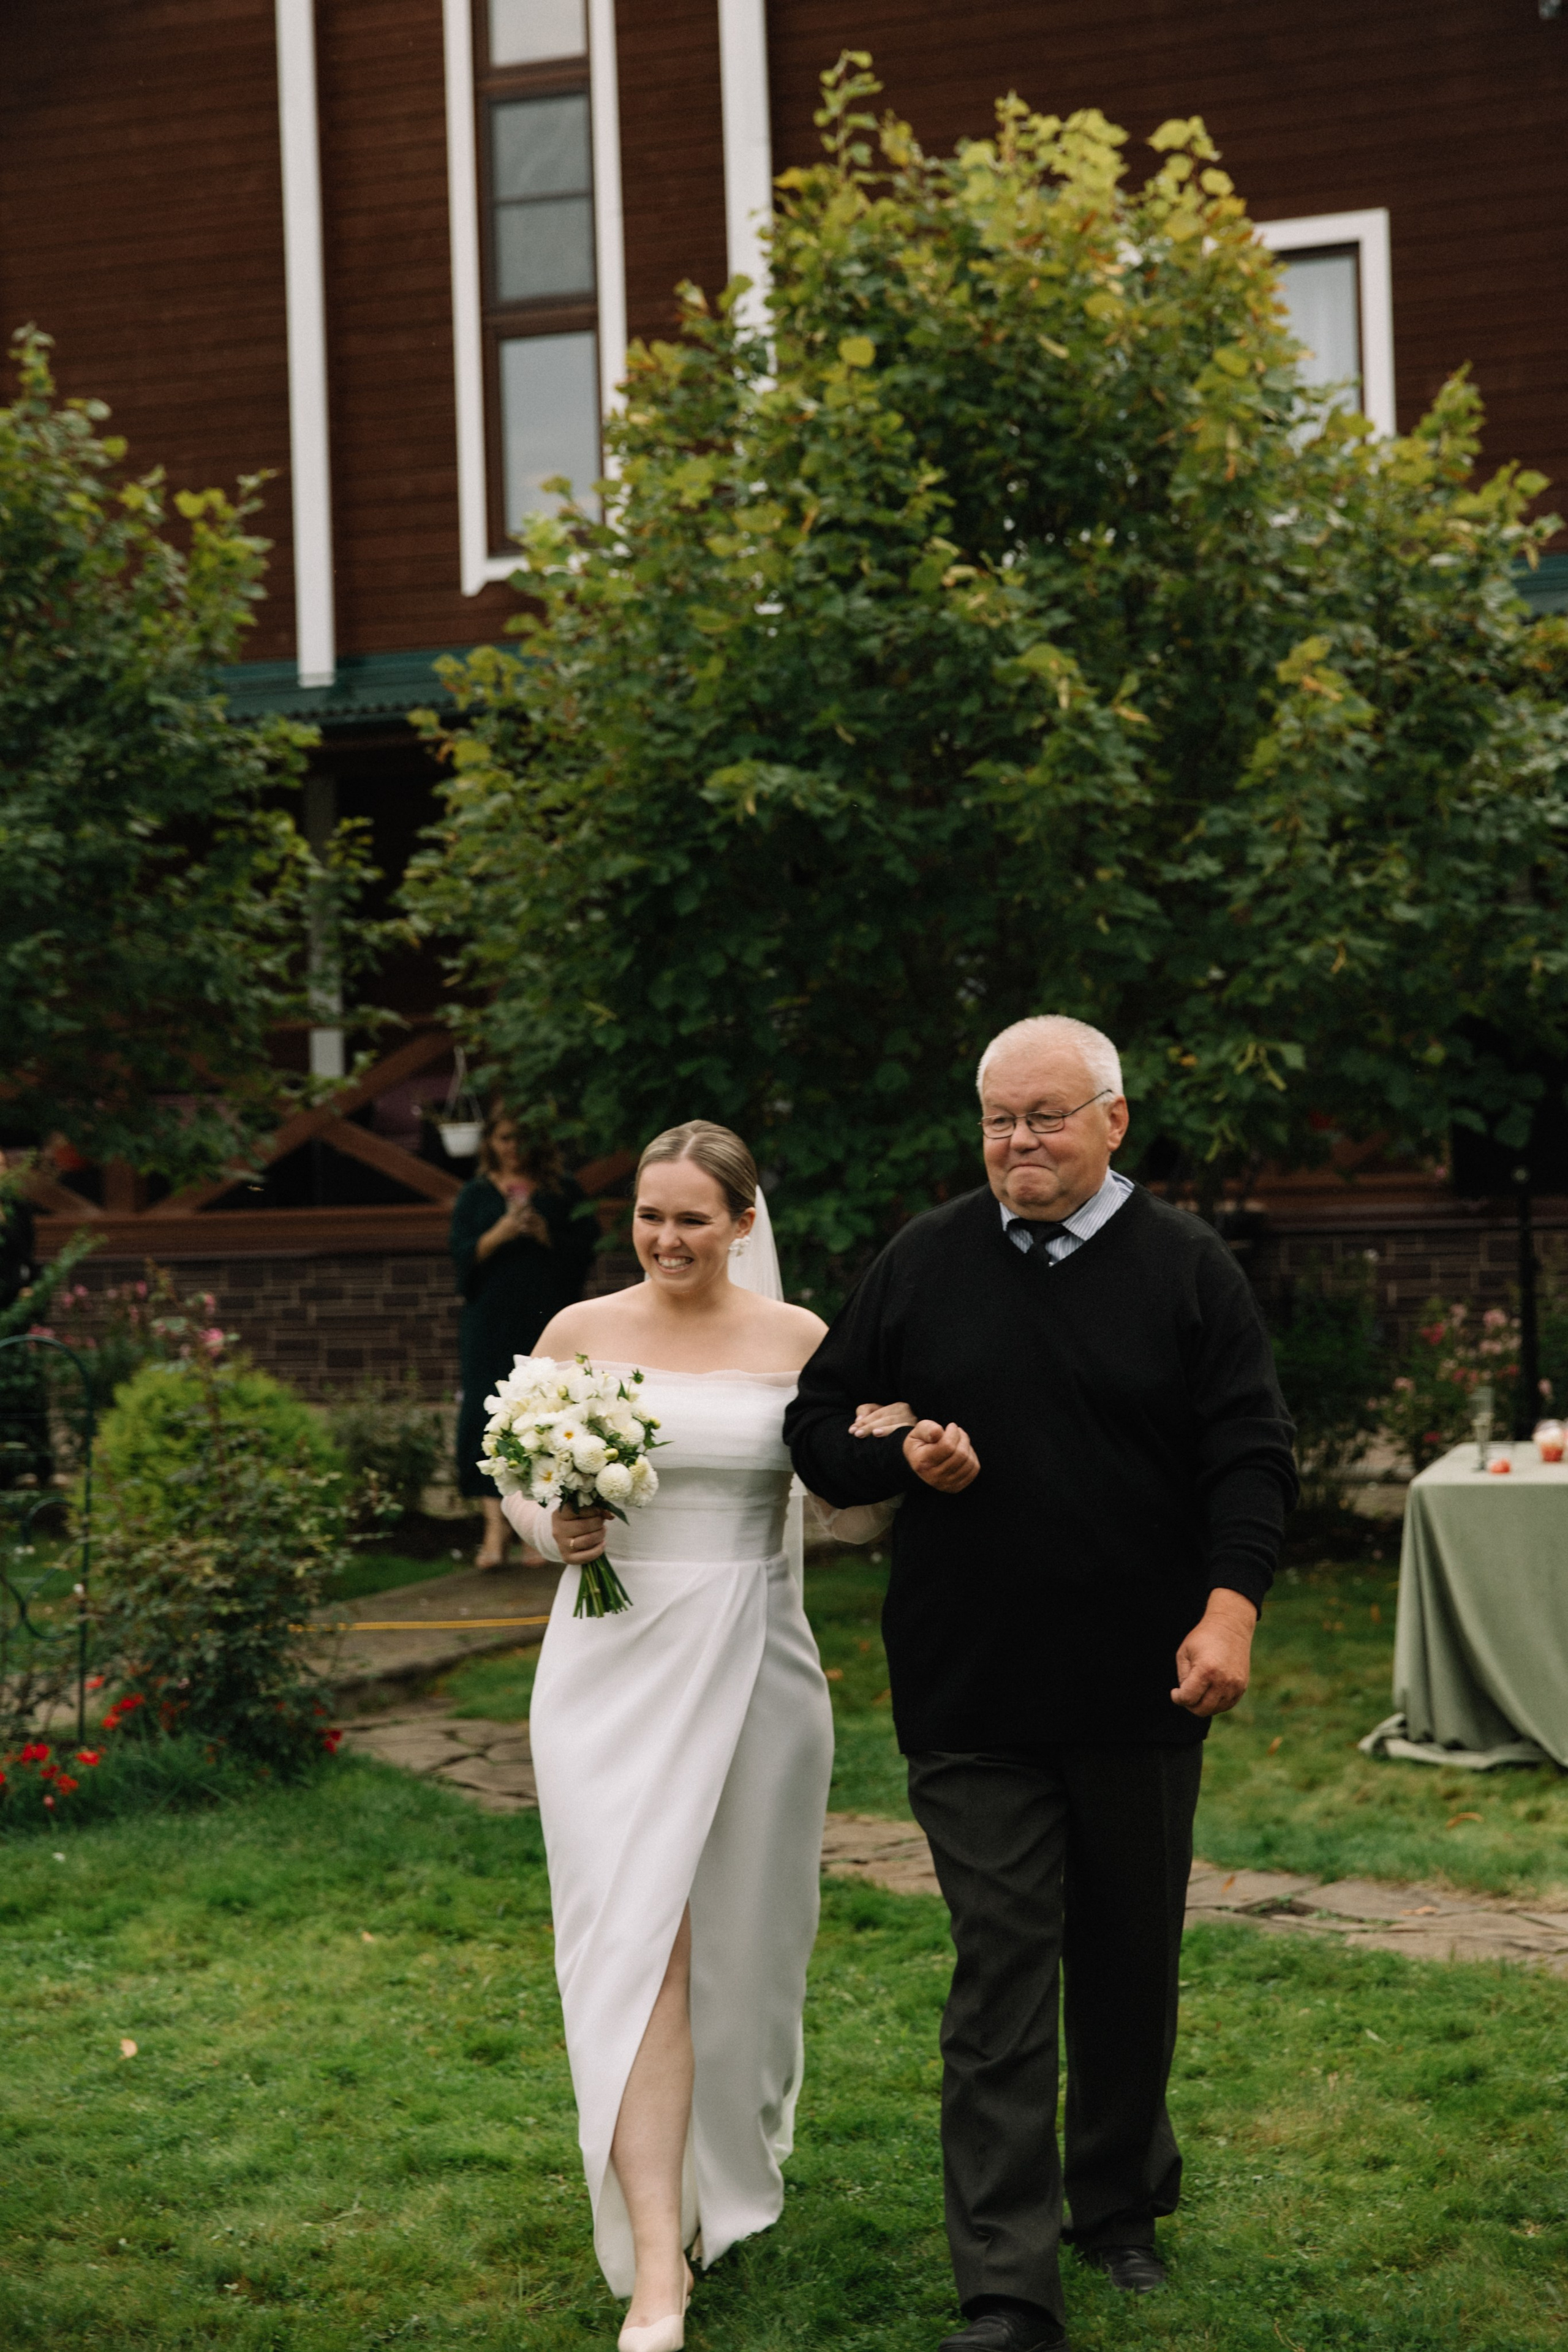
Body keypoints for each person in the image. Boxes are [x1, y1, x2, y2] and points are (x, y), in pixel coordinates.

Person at [784, 1016, 1297, 2352]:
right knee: (1000, 1972)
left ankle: (1117, 2205)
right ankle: (1007, 2288)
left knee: (1126, 1959)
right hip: (974, 1694)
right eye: (999, 1120)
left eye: (1046, 1117)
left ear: (1112, 1120)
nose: (1019, 1143)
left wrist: (1228, 1610)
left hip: (1142, 1687)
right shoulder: (925, 1260)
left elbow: (1248, 1453)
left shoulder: (1187, 1269)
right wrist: (899, 1459)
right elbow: (818, 1426)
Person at [500, 1121, 890, 2352]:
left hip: (754, 1664)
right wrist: (543, 1527)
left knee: (743, 1941)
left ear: (741, 1221)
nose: (666, 1239)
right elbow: (517, 1474)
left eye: (691, 1218)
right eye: (648, 1215)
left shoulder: (801, 1343)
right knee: (637, 1940)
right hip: (606, 1664)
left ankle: (727, 2171)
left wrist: (891, 1450)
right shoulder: (577, 1333)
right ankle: (655, 2264)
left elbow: (846, 1512)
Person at [450, 1112, 597, 1569]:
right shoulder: (476, 1195)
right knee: (485, 1415)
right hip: (490, 1322)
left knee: (544, 1417)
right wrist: (500, 1233)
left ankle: (535, 1530)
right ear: (492, 1142)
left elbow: (585, 1252)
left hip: (546, 1319)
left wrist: (544, 1233)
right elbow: (461, 1257)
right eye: (505, 1138)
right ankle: (495, 1531)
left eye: (521, 1138)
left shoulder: (560, 1190)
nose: (514, 1147)